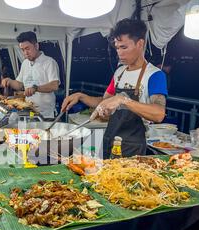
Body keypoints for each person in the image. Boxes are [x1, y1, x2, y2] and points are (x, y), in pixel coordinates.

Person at [61, 19, 168, 158]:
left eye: (124, 47)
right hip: (111, 139)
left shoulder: (154, 75)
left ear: (140, 44)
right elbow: (104, 101)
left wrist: (123, 100)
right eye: (117, 48)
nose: (119, 53)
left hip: (133, 146)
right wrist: (81, 96)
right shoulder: (119, 72)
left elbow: (159, 114)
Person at [1, 31, 60, 119]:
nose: (25, 53)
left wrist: (36, 88)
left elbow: (54, 85)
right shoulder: (25, 63)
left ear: (36, 46)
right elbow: (20, 84)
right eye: (22, 49)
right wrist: (9, 81)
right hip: (28, 111)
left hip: (46, 114)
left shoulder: (49, 62)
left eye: (27, 48)